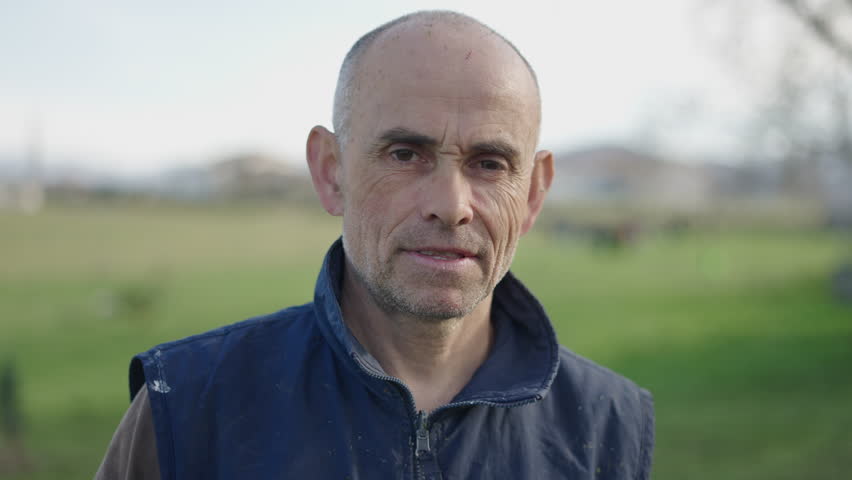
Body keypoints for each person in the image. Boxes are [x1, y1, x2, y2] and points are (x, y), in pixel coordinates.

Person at [96, 10, 654, 479]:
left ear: (532, 194)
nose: (451, 205)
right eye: (405, 155)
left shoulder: (607, 423)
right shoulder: (190, 407)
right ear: (331, 171)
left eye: (489, 164)